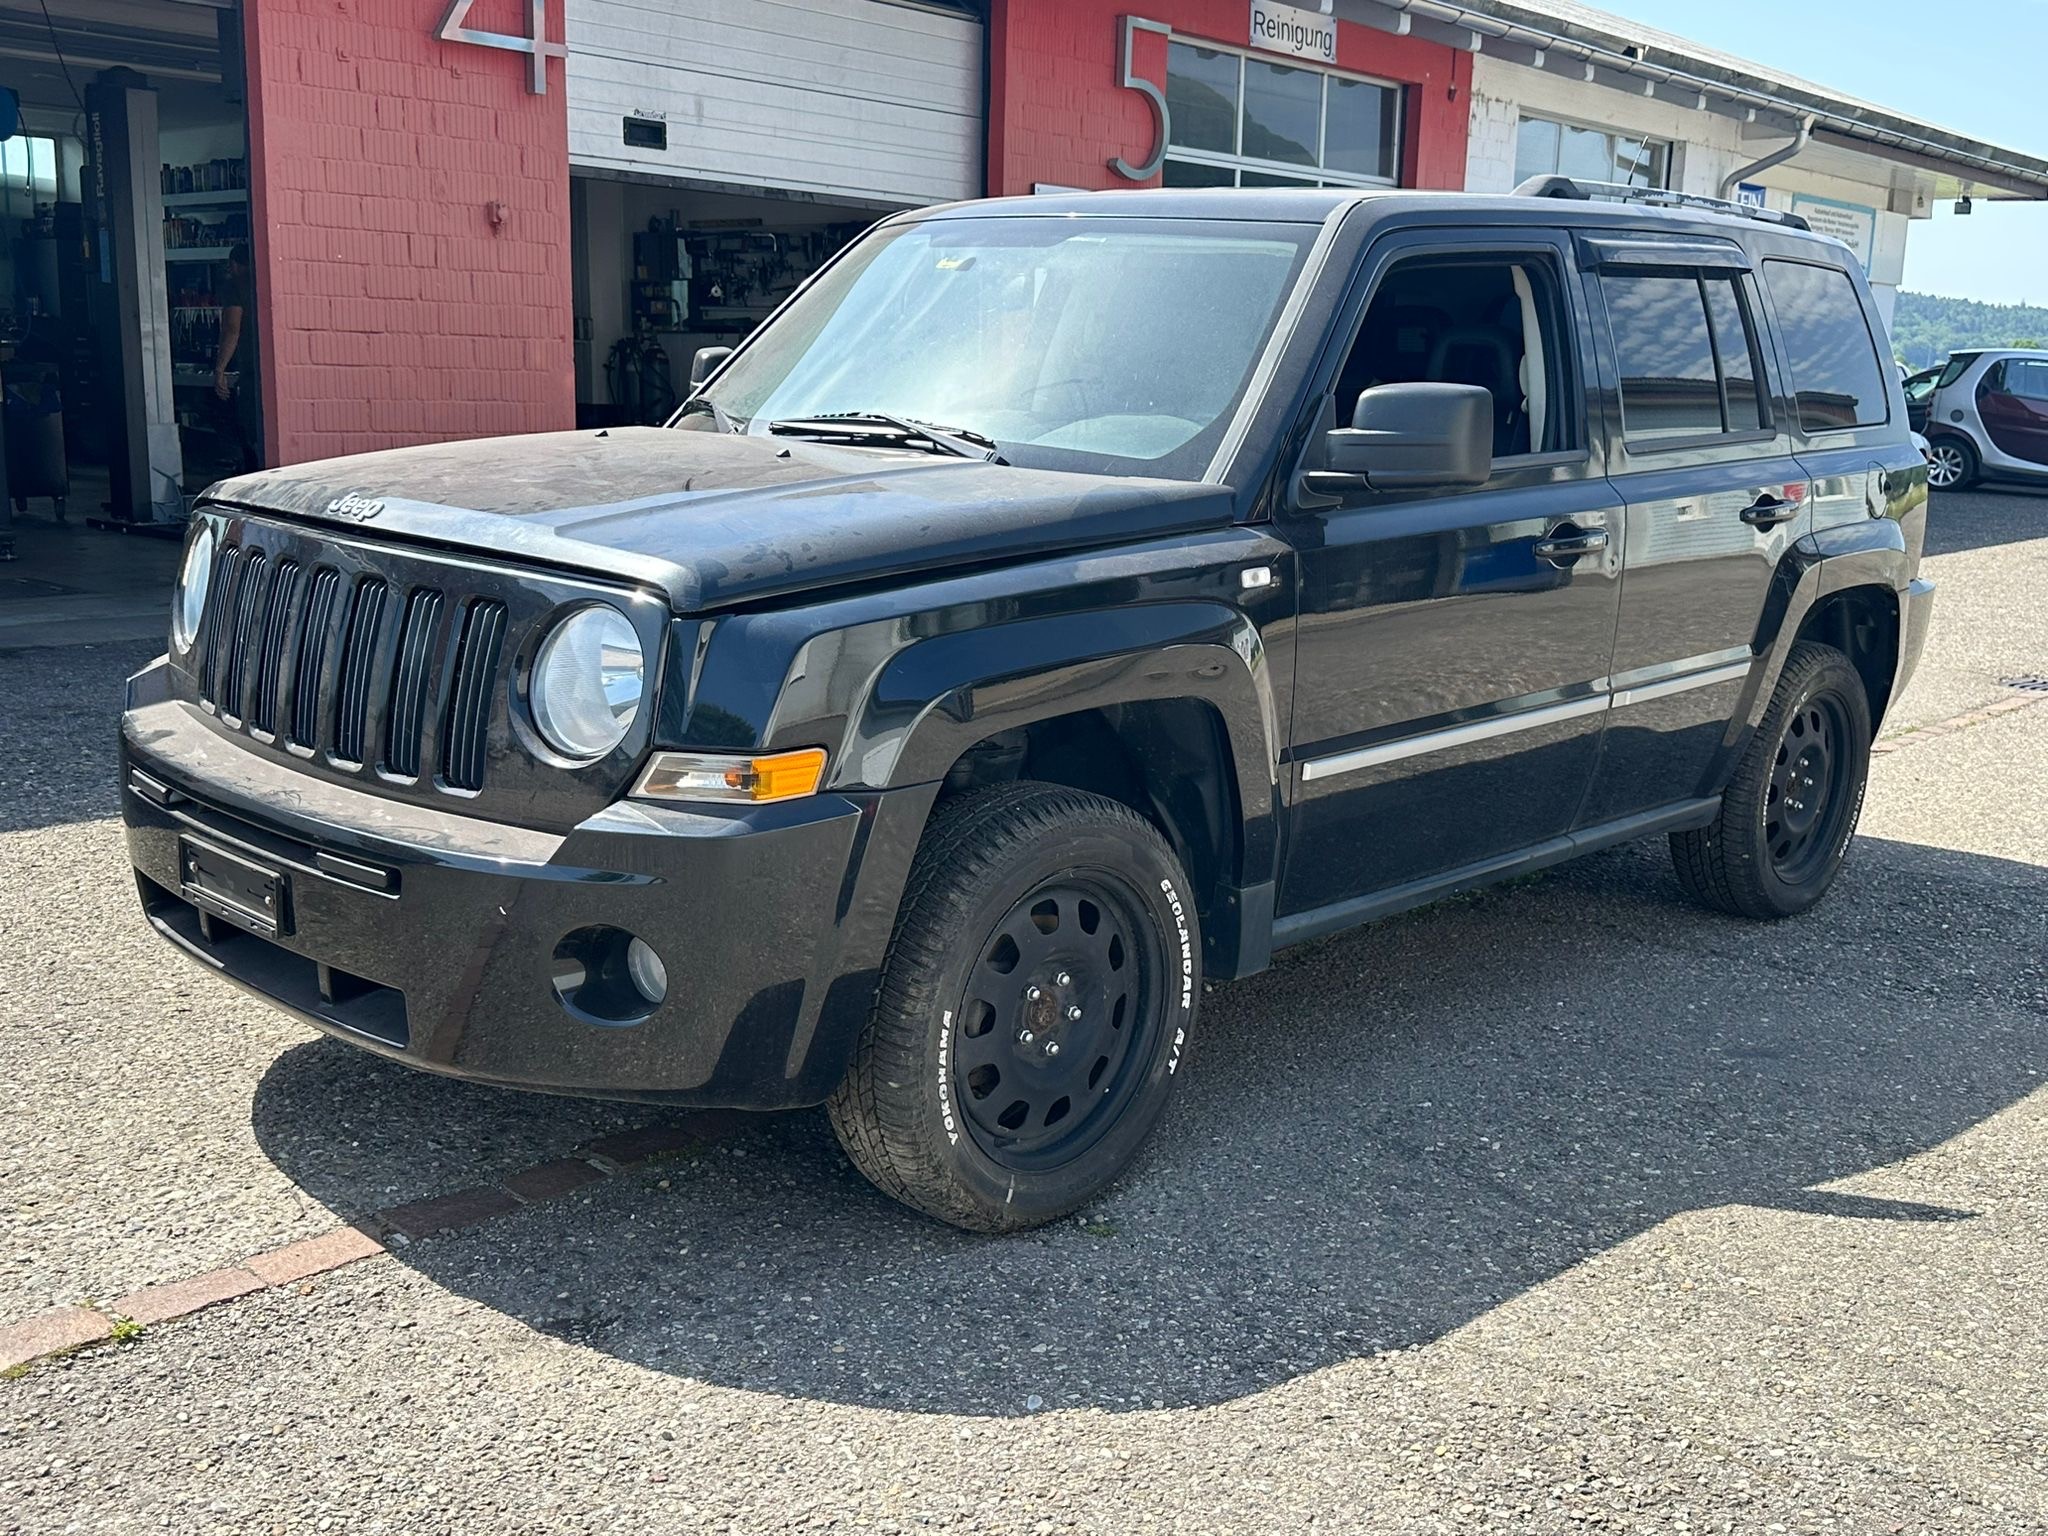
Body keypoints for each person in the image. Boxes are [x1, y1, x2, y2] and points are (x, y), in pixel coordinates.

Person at [213, 243, 262, 471]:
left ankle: (249, 470)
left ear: (233, 264)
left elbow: (232, 328)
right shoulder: (267, 279)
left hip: (251, 367)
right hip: (272, 365)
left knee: (245, 423)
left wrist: (220, 369)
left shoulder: (234, 286)